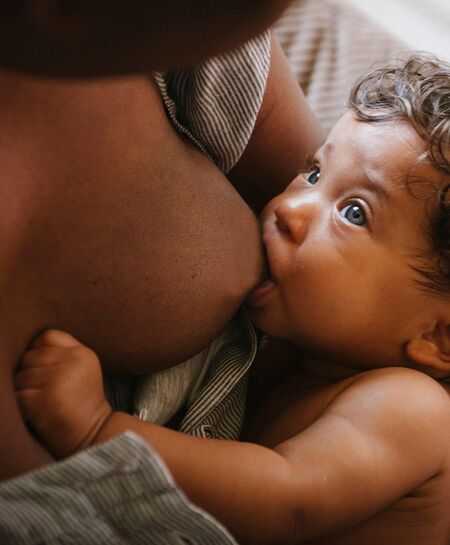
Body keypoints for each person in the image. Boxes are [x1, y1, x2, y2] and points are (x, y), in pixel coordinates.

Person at [15, 54, 450, 545]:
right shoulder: (304, 349)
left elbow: (287, 499)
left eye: (353, 213)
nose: (289, 208)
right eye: (313, 173)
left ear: (437, 337)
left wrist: (95, 429)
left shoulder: (414, 409)